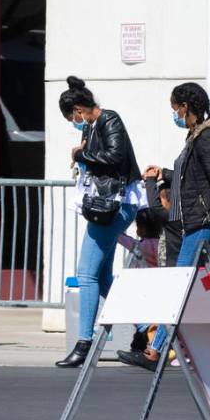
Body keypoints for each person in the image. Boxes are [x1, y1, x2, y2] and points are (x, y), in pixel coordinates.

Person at [118, 82, 210, 371]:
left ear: (185, 107)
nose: (173, 113)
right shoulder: (197, 138)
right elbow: (196, 178)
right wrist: (164, 173)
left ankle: (154, 351)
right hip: (204, 223)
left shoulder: (206, 138)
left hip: (204, 225)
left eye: (174, 108)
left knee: (178, 285)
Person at [56, 76, 142, 368]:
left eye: (72, 116)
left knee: (87, 274)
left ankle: (84, 344)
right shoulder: (93, 126)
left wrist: (82, 154)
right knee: (103, 277)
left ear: (79, 109)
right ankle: (148, 328)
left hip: (114, 206)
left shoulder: (109, 119)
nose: (73, 122)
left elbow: (115, 156)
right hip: (109, 206)